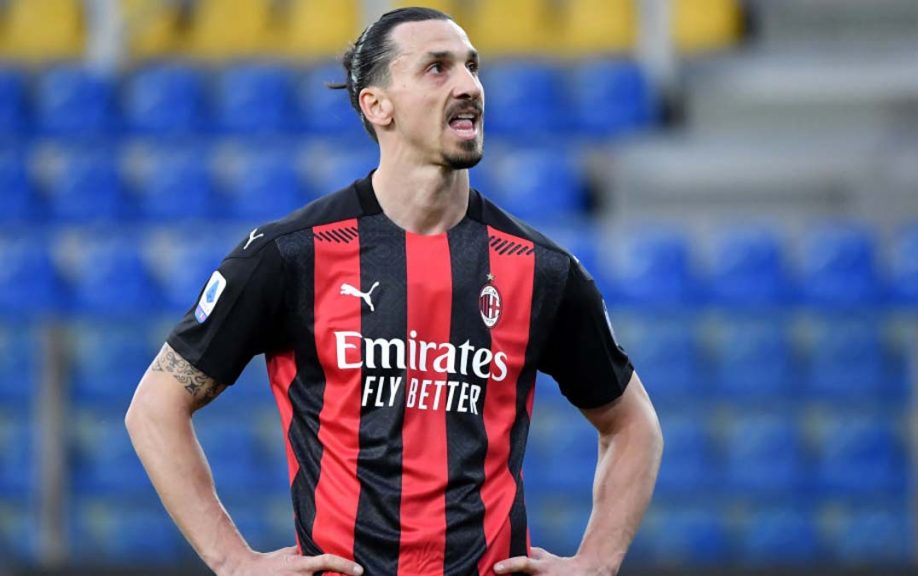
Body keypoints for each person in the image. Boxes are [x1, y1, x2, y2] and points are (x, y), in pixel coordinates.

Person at [125, 7, 662, 576]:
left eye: (472, 67)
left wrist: (597, 562)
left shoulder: (540, 268)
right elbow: (155, 407)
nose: (468, 85)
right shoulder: (289, 255)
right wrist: (233, 561)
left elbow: (632, 425)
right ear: (376, 105)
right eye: (437, 68)